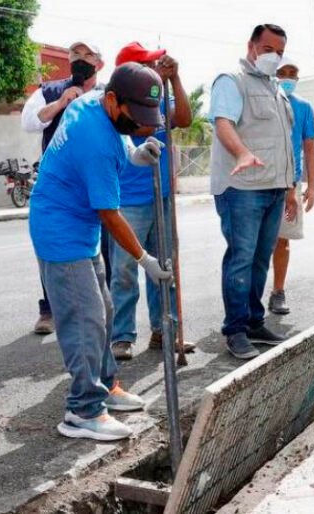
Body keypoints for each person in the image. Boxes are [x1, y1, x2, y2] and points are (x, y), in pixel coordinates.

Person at [29, 63, 171, 441]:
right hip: (61, 230)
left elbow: (119, 136)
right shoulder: (98, 143)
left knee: (104, 310)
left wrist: (136, 152)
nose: (140, 125)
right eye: (135, 117)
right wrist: (145, 259)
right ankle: (83, 410)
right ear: (113, 99)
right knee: (84, 318)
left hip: (80, 227)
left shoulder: (94, 103)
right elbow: (109, 213)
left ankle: (105, 385)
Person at [209, 23, 298, 360]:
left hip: (274, 187)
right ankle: (235, 329)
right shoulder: (231, 80)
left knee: (261, 259)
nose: (273, 56)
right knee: (241, 259)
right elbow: (223, 123)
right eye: (267, 49)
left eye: (279, 51)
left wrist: (289, 186)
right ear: (251, 46)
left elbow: (282, 143)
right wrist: (242, 152)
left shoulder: (275, 87)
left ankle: (253, 321)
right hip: (242, 188)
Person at [109, 42, 196, 360]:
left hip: (161, 198)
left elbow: (184, 119)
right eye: (148, 64)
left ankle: (166, 331)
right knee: (125, 272)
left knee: (165, 268)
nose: (156, 66)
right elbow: (141, 126)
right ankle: (122, 335)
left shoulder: (157, 100)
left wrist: (175, 80)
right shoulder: (118, 103)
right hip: (126, 203)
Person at [22, 41, 104, 336]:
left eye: (87, 55)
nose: (80, 60)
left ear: (100, 63)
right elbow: (29, 122)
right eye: (75, 55)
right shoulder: (50, 90)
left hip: (96, 182)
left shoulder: (107, 93)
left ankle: (100, 314)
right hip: (59, 187)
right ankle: (50, 310)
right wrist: (61, 103)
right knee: (55, 247)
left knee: (100, 251)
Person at [268, 57, 314, 315]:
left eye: (293, 72)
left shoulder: (303, 107)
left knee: (282, 240)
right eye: (282, 72)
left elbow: (309, 147)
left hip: (291, 184)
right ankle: (247, 298)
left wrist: (310, 186)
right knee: (253, 245)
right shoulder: (263, 102)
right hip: (262, 183)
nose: (288, 77)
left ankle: (278, 291)